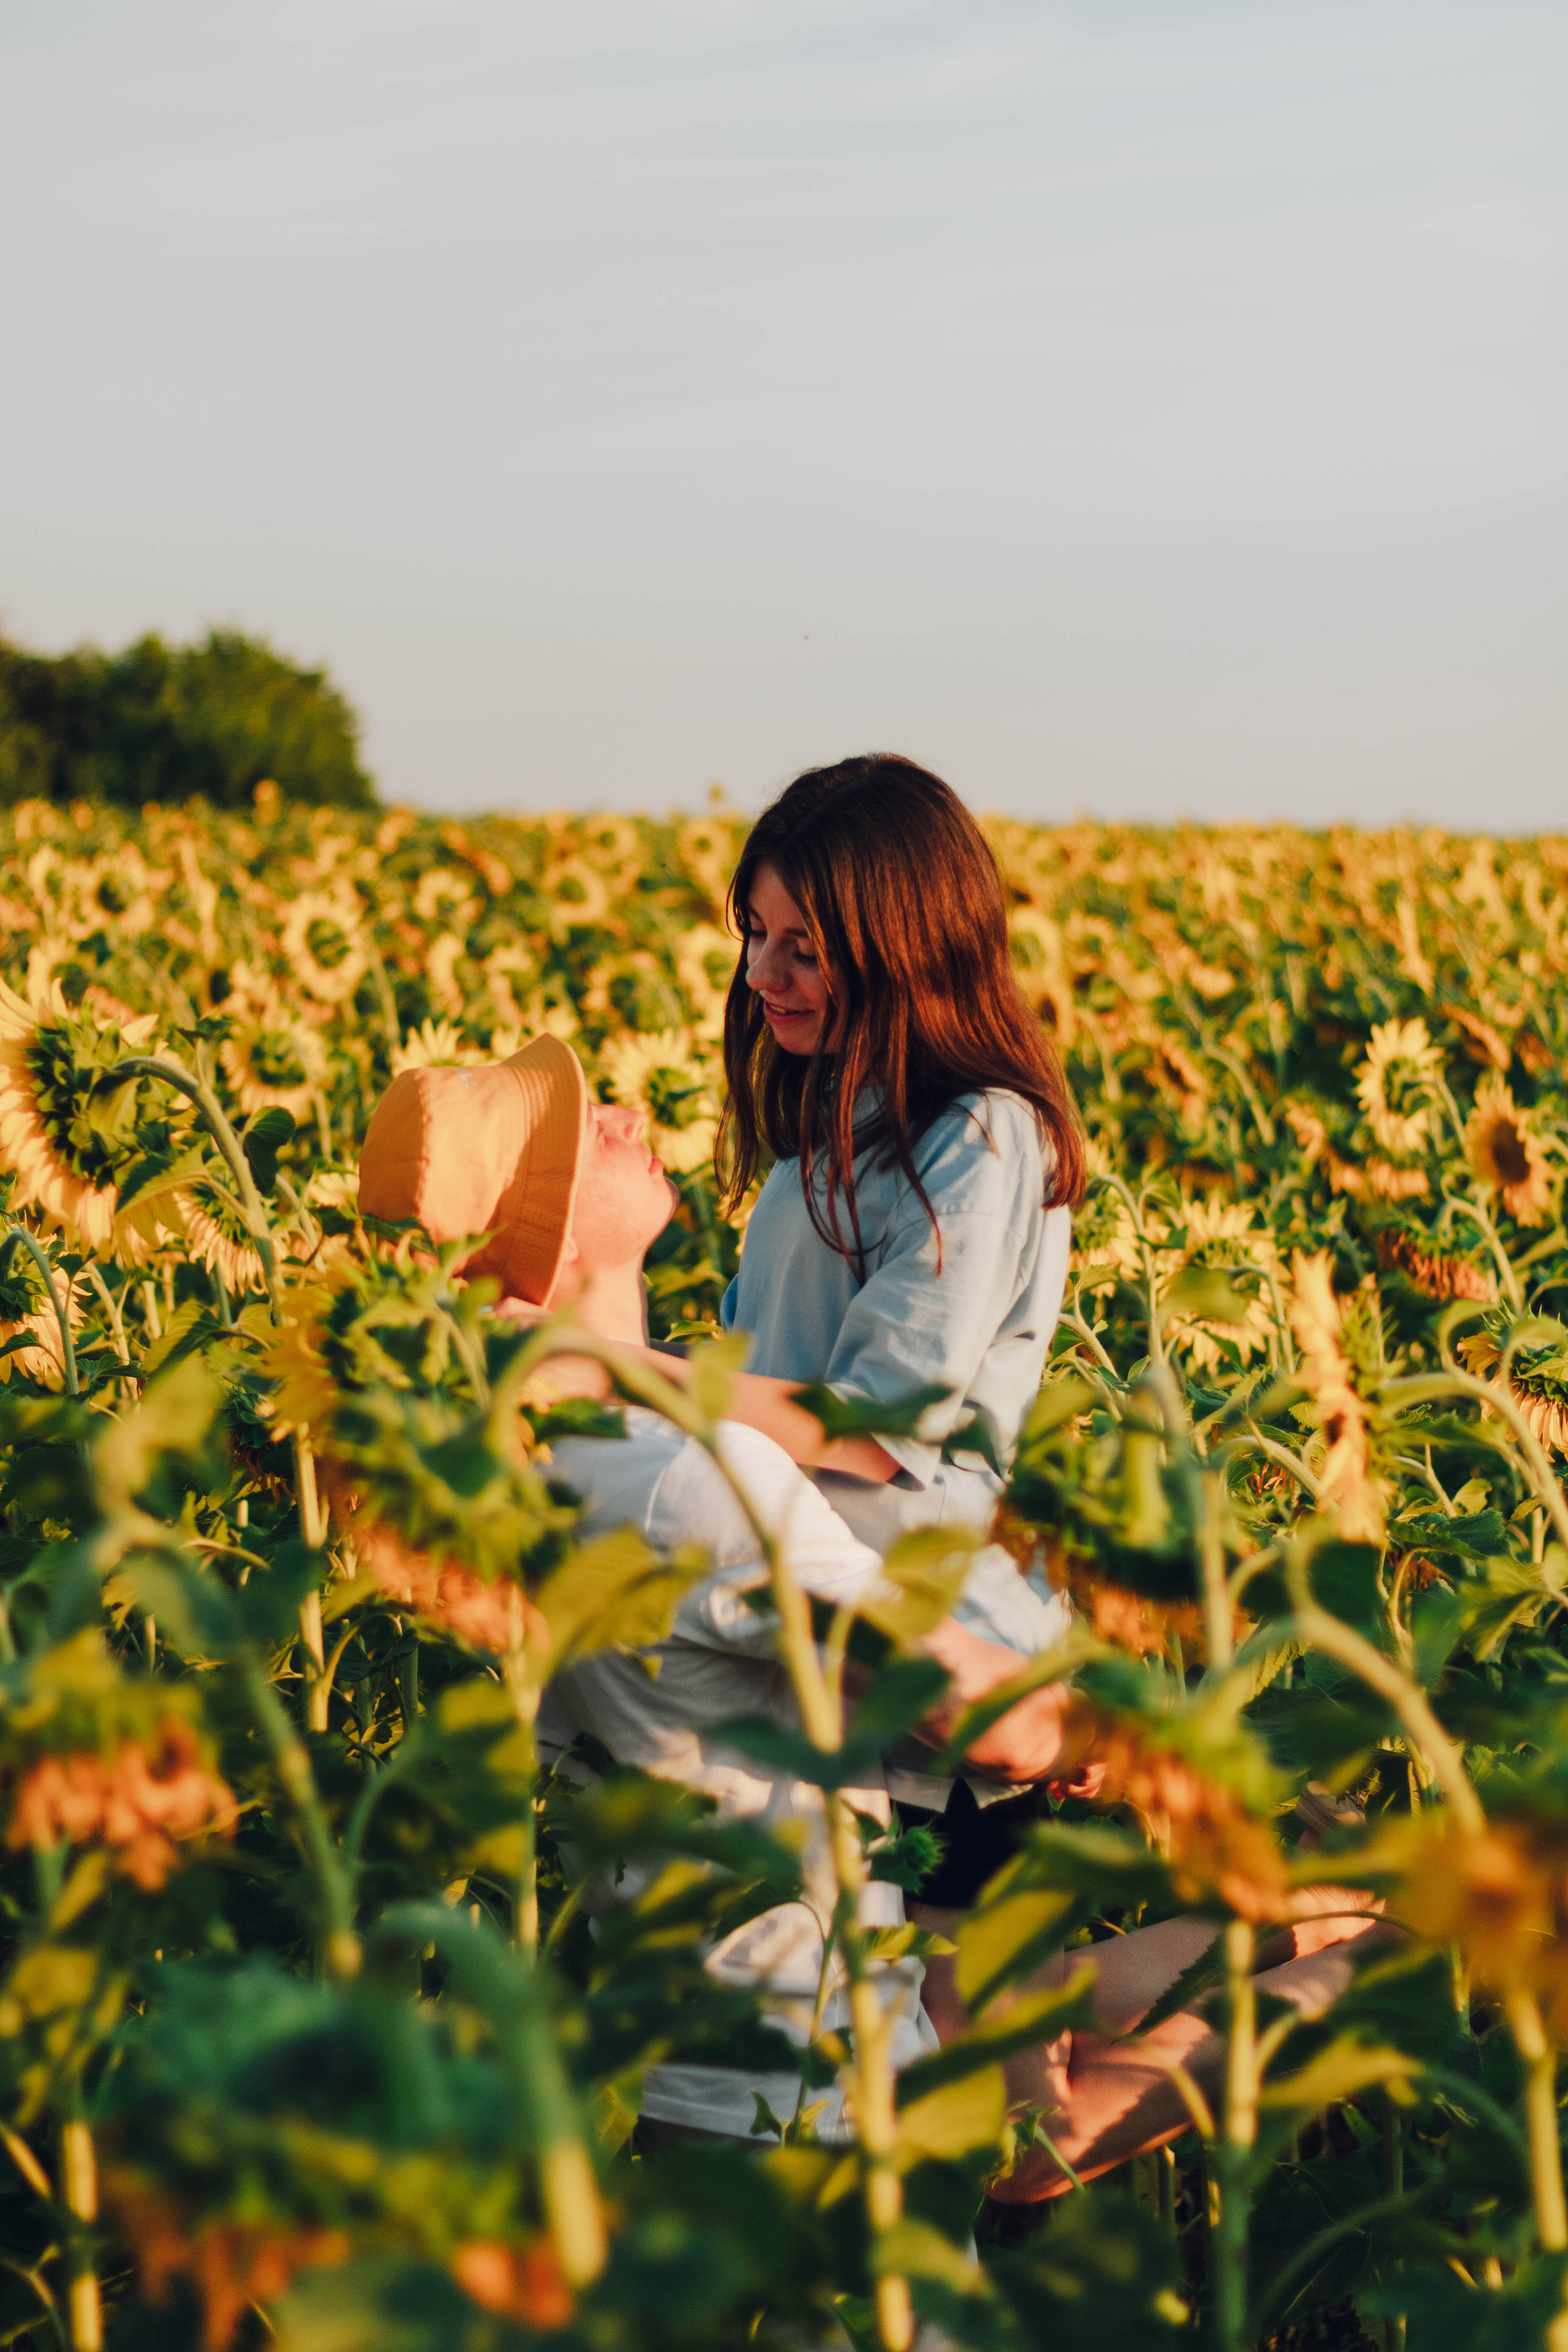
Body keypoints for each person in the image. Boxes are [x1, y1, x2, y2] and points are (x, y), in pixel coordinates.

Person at [356, 1035, 1081, 2149]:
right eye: (579, 1134)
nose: (625, 1119)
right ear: (535, 1243)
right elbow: (993, 1724)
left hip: (690, 2069)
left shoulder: (507, 1472)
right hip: (806, 2094)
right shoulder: (683, 1479)